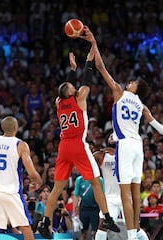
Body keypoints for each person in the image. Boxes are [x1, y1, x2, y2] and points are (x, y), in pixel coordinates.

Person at [86, 26, 163, 240]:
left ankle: (132, 236)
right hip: (138, 147)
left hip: (124, 145)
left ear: (135, 88)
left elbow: (101, 68)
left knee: (125, 195)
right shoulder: (142, 106)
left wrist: (94, 44)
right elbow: (159, 127)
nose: (129, 82)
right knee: (134, 192)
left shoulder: (120, 93)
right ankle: (135, 231)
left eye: (133, 82)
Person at [37, 41, 120, 239]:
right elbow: (87, 82)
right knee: (96, 182)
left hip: (63, 146)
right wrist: (88, 62)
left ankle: (44, 221)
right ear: (72, 92)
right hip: (78, 145)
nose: (76, 87)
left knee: (57, 187)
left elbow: (64, 89)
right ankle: (107, 217)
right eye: (73, 86)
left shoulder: (59, 103)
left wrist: (72, 70)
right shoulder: (79, 98)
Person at [93, 133, 148, 240]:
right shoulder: (101, 155)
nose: (112, 137)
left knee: (135, 228)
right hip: (110, 198)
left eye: (115, 135)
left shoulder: (128, 155)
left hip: (127, 197)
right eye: (110, 136)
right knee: (103, 225)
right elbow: (89, 159)